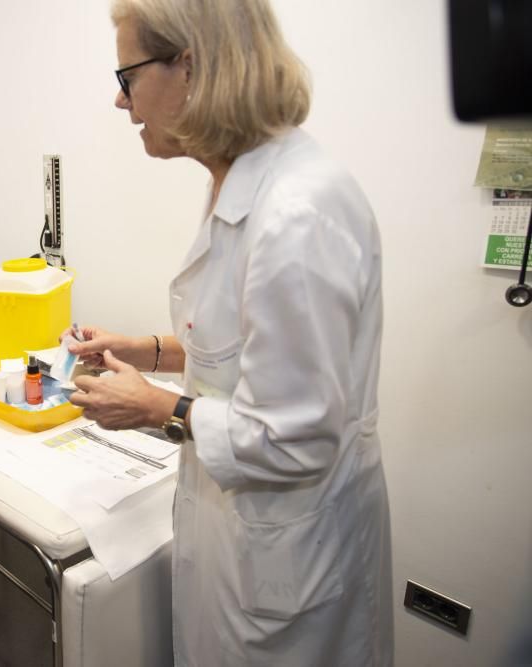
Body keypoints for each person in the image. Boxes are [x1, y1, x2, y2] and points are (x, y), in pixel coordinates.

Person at [66, 1, 393, 664]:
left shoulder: (296, 213)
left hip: (293, 559)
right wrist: (146, 351)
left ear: (189, 66)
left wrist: (158, 407)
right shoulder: (239, 179)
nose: (119, 100)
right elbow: (249, 348)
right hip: (241, 538)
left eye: (126, 76)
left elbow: (294, 435)